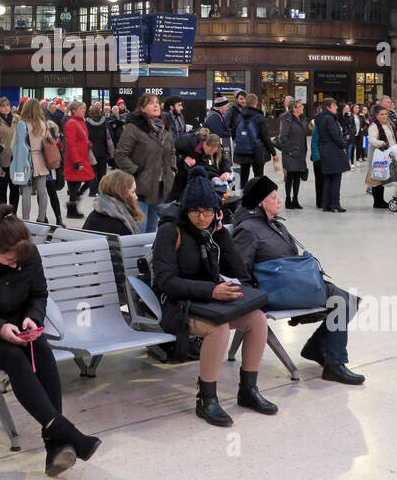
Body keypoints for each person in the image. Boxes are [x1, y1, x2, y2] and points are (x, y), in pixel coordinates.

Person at [0, 205, 102, 475]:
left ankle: (56, 443)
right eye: (9, 261)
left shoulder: (27, 254)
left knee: (41, 349)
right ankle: (63, 431)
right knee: (13, 357)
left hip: (14, 330)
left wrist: (32, 318)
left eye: (19, 261)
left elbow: (39, 294)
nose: (16, 265)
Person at [150, 167, 277, 426]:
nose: (201, 217)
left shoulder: (212, 232)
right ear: (186, 209)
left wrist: (220, 234)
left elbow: (238, 271)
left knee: (257, 320)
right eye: (195, 210)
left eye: (208, 211)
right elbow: (165, 282)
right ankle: (206, 398)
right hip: (178, 305)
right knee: (217, 330)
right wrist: (210, 290)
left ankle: (248, 390)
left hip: (210, 302)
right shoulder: (169, 232)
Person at [231, 177, 364, 384]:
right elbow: (239, 271)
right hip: (274, 290)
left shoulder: (275, 225)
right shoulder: (247, 230)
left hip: (292, 282)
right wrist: (252, 302)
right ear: (260, 202)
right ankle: (334, 364)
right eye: (274, 197)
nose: (279, 200)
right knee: (342, 303)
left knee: (350, 301)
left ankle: (316, 348)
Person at [113, 93, 176, 232]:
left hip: (161, 185)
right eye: (150, 103)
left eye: (157, 102)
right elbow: (120, 155)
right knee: (138, 228)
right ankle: (136, 253)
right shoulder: (134, 128)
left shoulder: (165, 128)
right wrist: (137, 172)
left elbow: (171, 151)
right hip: (139, 187)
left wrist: (172, 169)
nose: (155, 105)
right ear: (142, 108)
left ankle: (148, 253)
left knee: (153, 229)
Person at [11, 97, 53, 224]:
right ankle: (41, 219)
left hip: (25, 160)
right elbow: (50, 142)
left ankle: (25, 220)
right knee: (42, 191)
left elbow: (13, 145)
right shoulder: (44, 124)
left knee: (26, 192)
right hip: (41, 160)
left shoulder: (21, 125)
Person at [171, 128, 232, 202]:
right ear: (205, 144)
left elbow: (224, 157)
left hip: (194, 170)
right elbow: (170, 150)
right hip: (181, 170)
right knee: (178, 194)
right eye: (209, 151)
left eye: (213, 153)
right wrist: (183, 158)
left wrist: (226, 171)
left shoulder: (214, 141)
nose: (210, 154)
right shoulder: (188, 141)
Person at [232, 93, 274, 189]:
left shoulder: (239, 116)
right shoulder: (259, 117)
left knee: (243, 177)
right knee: (258, 177)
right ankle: (257, 201)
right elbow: (265, 137)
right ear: (256, 102)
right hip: (257, 151)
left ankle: (243, 201)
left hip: (242, 151)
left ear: (246, 102)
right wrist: (273, 152)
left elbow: (234, 133)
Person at [314, 97, 350, 212]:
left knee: (328, 178)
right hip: (332, 150)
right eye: (334, 106)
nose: (336, 108)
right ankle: (335, 203)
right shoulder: (329, 118)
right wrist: (343, 143)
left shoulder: (321, 117)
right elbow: (335, 135)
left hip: (325, 150)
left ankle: (326, 204)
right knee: (335, 178)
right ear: (328, 107)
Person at [82, 169, 145, 235]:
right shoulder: (118, 224)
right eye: (133, 192)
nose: (136, 197)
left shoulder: (96, 213)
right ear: (122, 194)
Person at [276, 98, 310, 209]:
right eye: (300, 106)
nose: (303, 107)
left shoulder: (303, 119)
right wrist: (289, 150)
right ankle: (287, 199)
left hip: (300, 153)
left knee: (297, 177)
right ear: (294, 109)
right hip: (290, 153)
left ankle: (295, 199)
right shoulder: (288, 120)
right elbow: (283, 137)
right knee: (290, 176)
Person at [63, 101, 94, 218]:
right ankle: (72, 209)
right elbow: (71, 144)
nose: (84, 110)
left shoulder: (80, 122)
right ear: (74, 111)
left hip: (82, 157)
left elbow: (82, 139)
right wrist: (76, 161)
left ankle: (72, 207)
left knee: (81, 183)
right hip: (75, 159)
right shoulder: (71, 123)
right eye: (81, 108)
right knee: (76, 185)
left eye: (84, 108)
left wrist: (88, 143)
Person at [365, 105, 397, 209]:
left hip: (387, 154)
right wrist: (381, 143)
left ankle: (380, 200)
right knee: (376, 179)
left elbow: (392, 138)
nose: (384, 116)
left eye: (385, 114)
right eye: (381, 114)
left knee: (382, 178)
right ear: (376, 115)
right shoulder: (374, 126)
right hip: (377, 155)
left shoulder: (388, 125)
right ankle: (378, 202)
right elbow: (371, 139)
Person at [0, 98, 18, 205]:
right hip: (2, 160)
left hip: (15, 160)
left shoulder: (17, 120)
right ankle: (2, 213)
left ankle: (13, 213)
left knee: (15, 189)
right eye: (3, 106)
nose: (6, 108)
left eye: (7, 105)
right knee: (2, 189)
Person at [84, 102, 111, 195]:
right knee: (102, 172)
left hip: (91, 150)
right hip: (103, 149)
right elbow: (109, 135)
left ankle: (92, 191)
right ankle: (101, 190)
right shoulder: (105, 122)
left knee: (92, 171)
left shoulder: (86, 123)